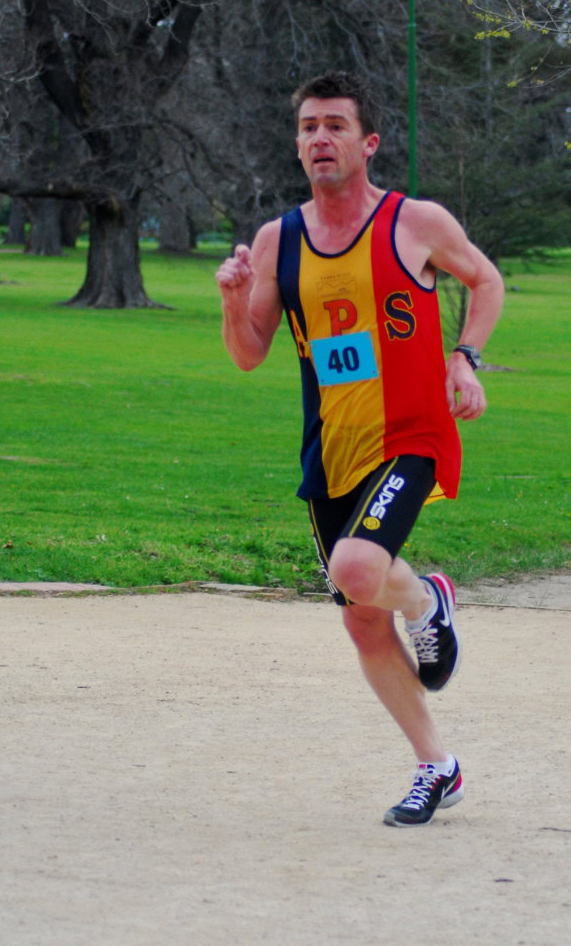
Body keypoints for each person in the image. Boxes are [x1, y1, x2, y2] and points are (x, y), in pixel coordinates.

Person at [215, 71, 504, 826]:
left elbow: (486, 280)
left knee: (356, 568)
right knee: (359, 618)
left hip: (412, 434)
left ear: (367, 142)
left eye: (336, 125)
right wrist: (229, 296)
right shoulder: (281, 240)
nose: (320, 138)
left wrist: (463, 357)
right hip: (332, 449)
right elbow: (249, 353)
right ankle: (437, 765)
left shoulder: (416, 223)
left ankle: (427, 600)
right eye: (309, 125)